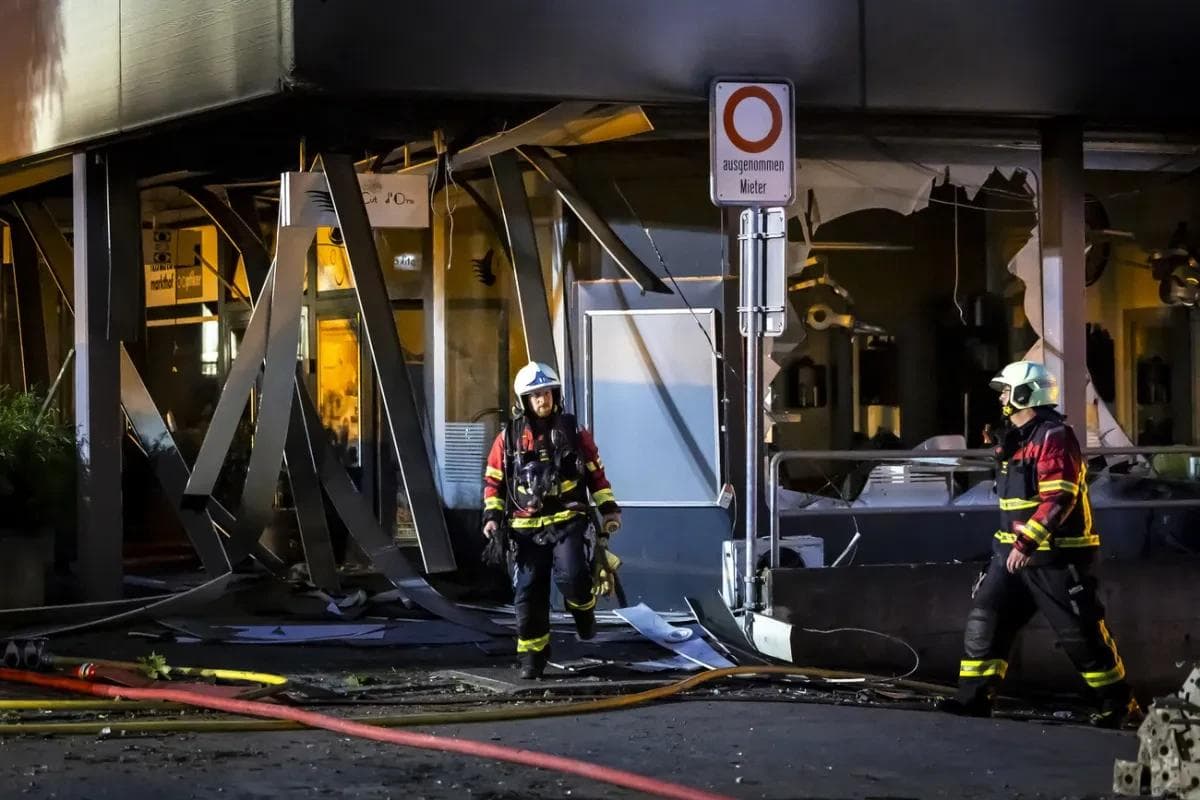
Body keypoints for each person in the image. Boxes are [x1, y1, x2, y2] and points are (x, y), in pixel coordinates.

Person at [939, 361, 1139, 728]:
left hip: (1056, 559)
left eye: (1006, 391)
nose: (1001, 397)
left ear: (1024, 394)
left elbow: (1057, 499)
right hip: (1010, 556)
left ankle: (1118, 706)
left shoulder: (1054, 437)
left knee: (1080, 636)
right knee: (985, 622)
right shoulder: (1019, 438)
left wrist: (1026, 544)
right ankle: (973, 699)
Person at [481, 361, 621, 679]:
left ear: (555, 394)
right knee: (528, 592)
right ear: (524, 400)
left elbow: (596, 474)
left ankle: (584, 612)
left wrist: (608, 508)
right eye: (535, 396)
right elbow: (494, 481)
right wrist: (491, 515)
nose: (542, 401)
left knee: (573, 575)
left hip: (568, 518)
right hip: (525, 529)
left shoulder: (573, 432)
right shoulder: (508, 439)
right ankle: (532, 657)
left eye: (546, 393)